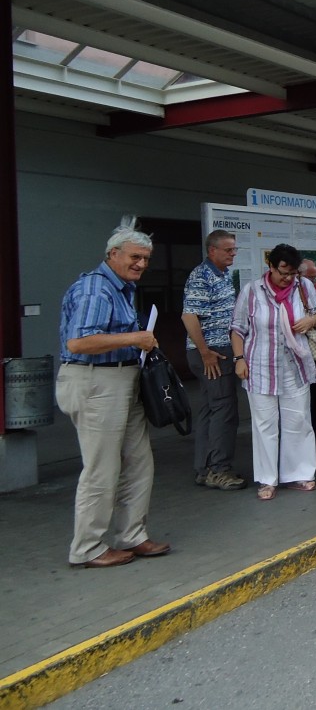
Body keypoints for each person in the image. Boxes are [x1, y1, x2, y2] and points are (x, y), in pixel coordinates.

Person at [56, 216, 170, 567]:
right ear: (112, 254)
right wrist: (135, 338)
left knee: (139, 462)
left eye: (146, 259)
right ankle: (87, 548)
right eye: (135, 257)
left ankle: (131, 535)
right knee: (102, 469)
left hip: (122, 379)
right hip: (95, 381)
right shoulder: (96, 288)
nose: (141, 264)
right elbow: (79, 341)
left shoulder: (123, 287)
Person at [230, 244, 316, 500]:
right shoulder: (252, 290)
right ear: (270, 267)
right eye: (282, 272)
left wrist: (311, 320)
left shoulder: (304, 287)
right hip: (259, 367)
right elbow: (238, 328)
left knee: (299, 421)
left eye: (292, 273)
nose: (287, 278)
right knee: (264, 425)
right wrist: (239, 359)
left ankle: (300, 473)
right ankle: (267, 479)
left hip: (295, 366)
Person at [181, 229, 246, 491]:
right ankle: (219, 469)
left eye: (234, 250)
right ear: (212, 251)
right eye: (228, 250)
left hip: (217, 349)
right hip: (213, 352)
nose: (233, 254)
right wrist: (205, 352)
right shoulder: (202, 275)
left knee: (211, 409)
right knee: (224, 409)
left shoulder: (223, 274)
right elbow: (189, 317)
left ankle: (205, 468)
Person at [298, 257, 316, 442]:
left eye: (314, 277)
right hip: (297, 348)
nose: (313, 282)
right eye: (309, 277)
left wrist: (313, 320)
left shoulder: (308, 288)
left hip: (313, 347)